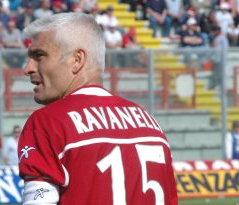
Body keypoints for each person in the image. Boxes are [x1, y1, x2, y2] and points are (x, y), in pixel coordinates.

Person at [18, 13, 178, 205]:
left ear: (77, 59)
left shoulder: (48, 122)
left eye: (39, 56)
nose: (28, 68)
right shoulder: (151, 124)